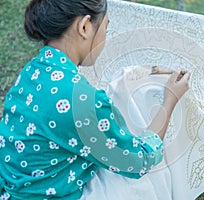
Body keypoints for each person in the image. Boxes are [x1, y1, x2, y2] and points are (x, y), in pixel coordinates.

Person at [0, 0, 190, 199]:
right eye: (105, 27)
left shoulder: (32, 69)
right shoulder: (81, 100)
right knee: (143, 183)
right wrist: (170, 100)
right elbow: (140, 160)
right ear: (84, 27)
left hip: (18, 186)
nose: (105, 37)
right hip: (48, 194)